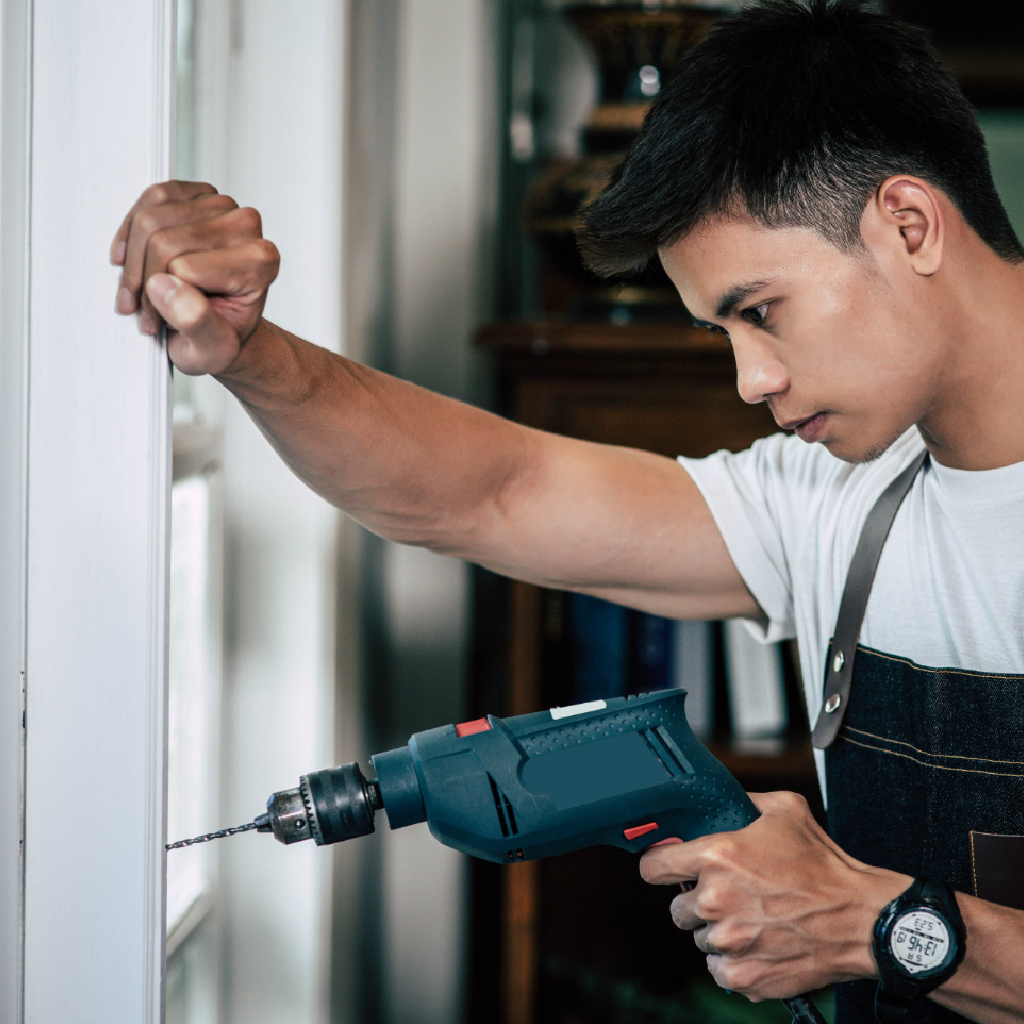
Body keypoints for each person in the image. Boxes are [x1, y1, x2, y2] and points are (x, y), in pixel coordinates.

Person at [111, 1, 1024, 1021]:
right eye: (722, 330)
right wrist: (249, 353)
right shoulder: (843, 504)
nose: (750, 380)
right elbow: (495, 493)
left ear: (907, 225)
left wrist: (881, 925)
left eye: (759, 311)